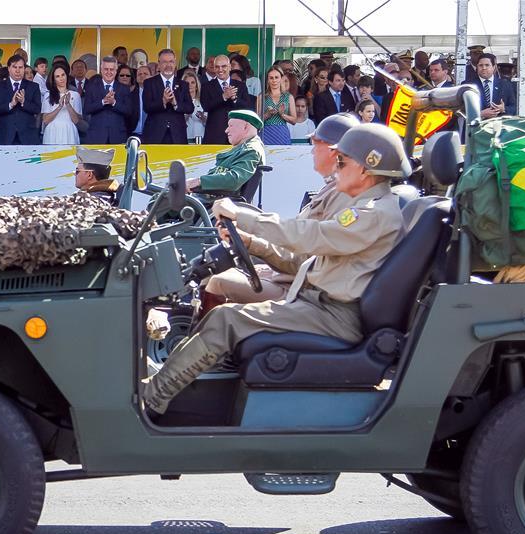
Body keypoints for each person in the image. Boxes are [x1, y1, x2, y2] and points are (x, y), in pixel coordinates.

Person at [143, 122, 408, 417]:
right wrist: (251, 242)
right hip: (317, 303)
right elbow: (307, 255)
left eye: (343, 161)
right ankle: (168, 385)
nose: (337, 166)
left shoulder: (374, 212)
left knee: (226, 319)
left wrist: (243, 217)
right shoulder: (369, 207)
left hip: (333, 313)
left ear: (366, 169)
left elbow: (312, 235)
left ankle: (152, 401)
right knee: (221, 315)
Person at [204, 113, 360, 305]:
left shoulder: (343, 195)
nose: (312, 151)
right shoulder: (331, 189)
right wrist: (250, 242)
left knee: (217, 284)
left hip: (303, 289)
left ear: (334, 151)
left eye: (316, 145)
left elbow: (305, 250)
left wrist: (248, 229)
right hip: (292, 275)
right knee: (212, 274)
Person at [185, 109, 265, 195]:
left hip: (221, 200)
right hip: (213, 198)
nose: (226, 130)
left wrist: (199, 181)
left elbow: (234, 180)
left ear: (245, 127)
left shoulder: (250, 150)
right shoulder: (242, 149)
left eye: (231, 126)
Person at [142, 49, 193, 144]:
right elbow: (147, 107)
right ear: (159, 64)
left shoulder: (183, 84)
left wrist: (175, 104)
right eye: (164, 62)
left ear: (175, 64)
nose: (168, 65)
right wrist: (163, 102)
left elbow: (190, 108)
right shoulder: (149, 83)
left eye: (171, 61)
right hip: (155, 134)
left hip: (177, 135)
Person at [0, 55, 42, 145]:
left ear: (24, 69)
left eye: (20, 67)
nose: (18, 70)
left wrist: (24, 102)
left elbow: (37, 109)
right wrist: (10, 104)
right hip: (5, 136)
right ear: (9, 68)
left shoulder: (33, 86)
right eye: (15, 67)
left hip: (28, 137)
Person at [201, 54, 251, 144]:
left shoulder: (240, 85)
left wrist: (235, 99)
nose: (220, 70)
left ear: (230, 67)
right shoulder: (207, 86)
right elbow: (206, 106)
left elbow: (247, 107)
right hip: (215, 134)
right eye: (217, 67)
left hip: (237, 134)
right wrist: (223, 97)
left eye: (223, 66)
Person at [83, 56, 130, 144]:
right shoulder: (91, 87)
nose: (108, 72)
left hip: (117, 136)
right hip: (96, 136)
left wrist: (114, 103)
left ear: (116, 71)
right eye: (106, 69)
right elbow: (86, 109)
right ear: (101, 70)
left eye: (111, 69)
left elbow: (128, 111)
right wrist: (103, 102)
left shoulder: (124, 88)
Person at [462, 53, 515, 118]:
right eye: (480, 65)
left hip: (498, 123)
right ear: (477, 67)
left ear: (494, 67)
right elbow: (460, 110)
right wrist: (480, 114)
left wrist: (503, 109)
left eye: (487, 65)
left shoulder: (505, 84)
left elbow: (513, 107)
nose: (484, 68)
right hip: (476, 123)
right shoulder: (467, 85)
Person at [40, 64, 82, 144]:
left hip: (69, 132)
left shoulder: (75, 95)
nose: (61, 78)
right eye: (57, 76)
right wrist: (59, 107)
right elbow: (45, 120)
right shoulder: (48, 95)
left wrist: (68, 105)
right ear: (54, 79)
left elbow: (76, 120)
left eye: (63, 75)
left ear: (67, 76)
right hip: (52, 132)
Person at [257, 67, 296, 145]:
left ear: (281, 78)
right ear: (268, 80)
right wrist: (267, 114)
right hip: (266, 133)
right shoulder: (262, 97)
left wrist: (282, 115)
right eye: (271, 78)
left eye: (276, 77)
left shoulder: (288, 97)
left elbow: (294, 120)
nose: (274, 80)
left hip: (282, 133)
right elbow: (257, 121)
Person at [183, 71, 206, 142]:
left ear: (196, 86)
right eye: (187, 83)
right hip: (185, 137)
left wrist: (203, 117)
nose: (190, 85)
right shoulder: (179, 103)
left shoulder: (203, 102)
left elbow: (210, 123)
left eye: (193, 82)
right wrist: (187, 115)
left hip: (200, 137)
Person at [131, 65, 150, 137]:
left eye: (145, 74)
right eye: (139, 74)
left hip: (152, 133)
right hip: (134, 134)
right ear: (136, 78)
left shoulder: (158, 94)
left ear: (151, 77)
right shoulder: (130, 95)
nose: (142, 76)